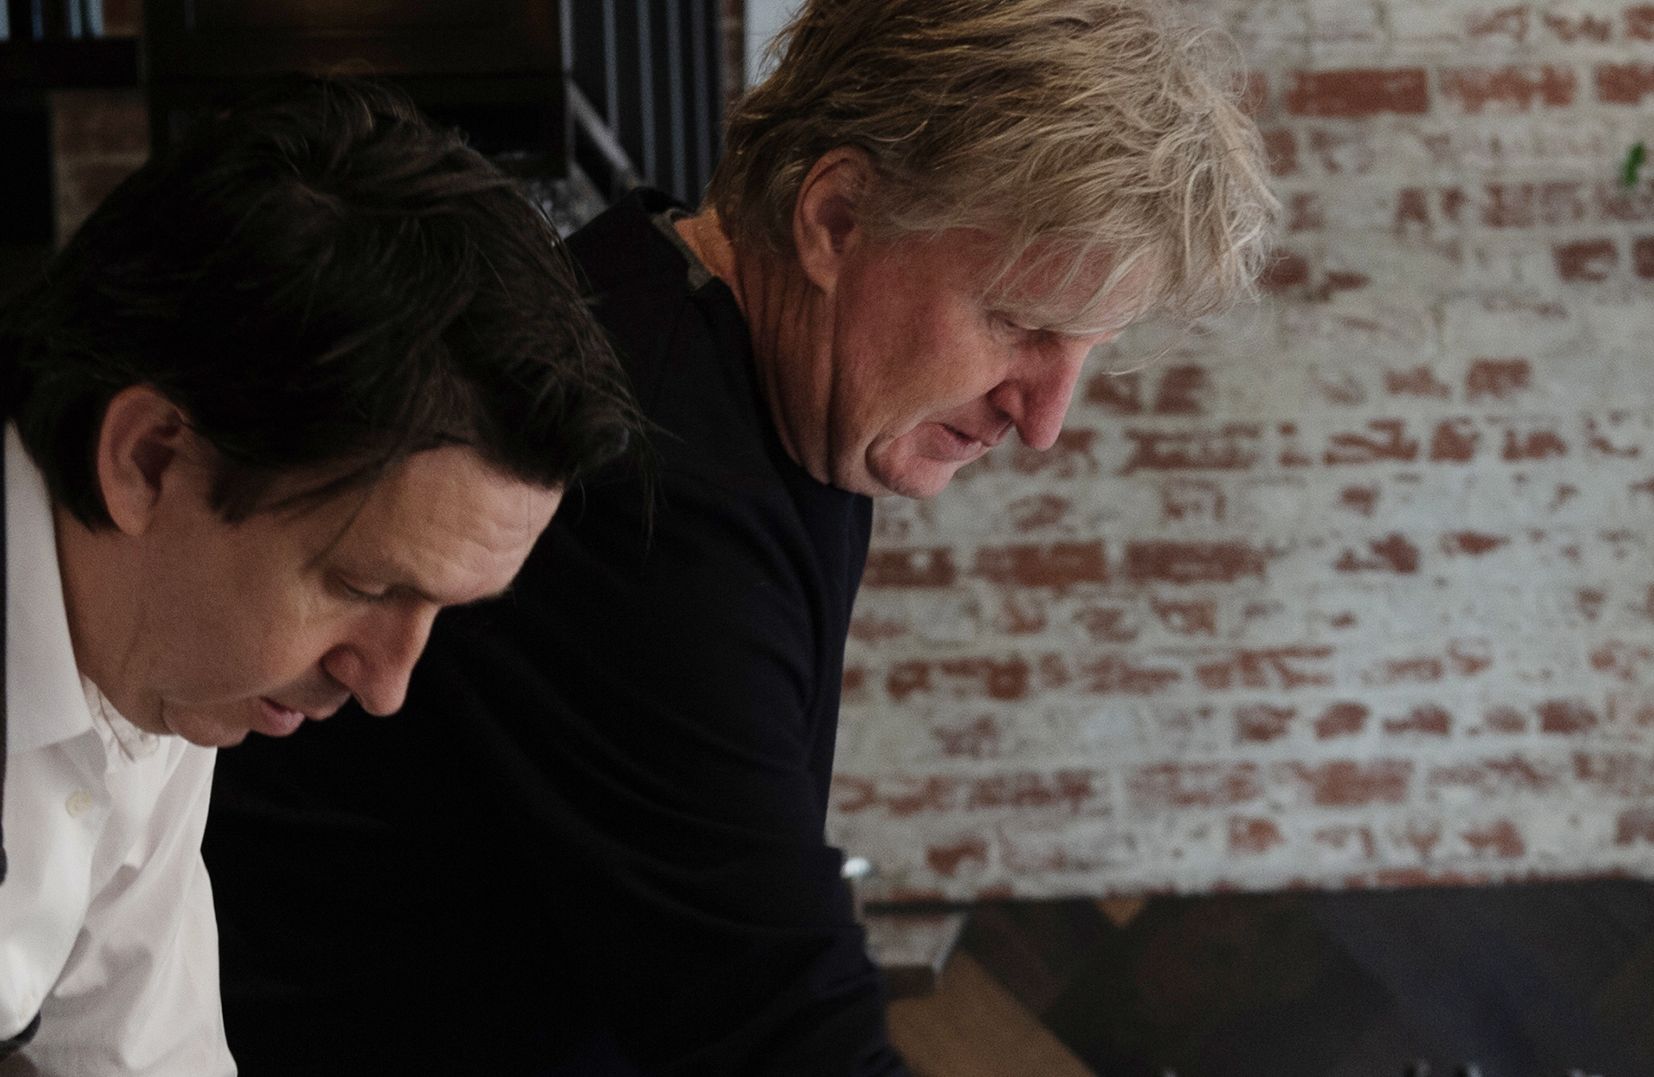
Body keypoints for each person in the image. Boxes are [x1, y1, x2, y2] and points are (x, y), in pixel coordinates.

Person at [205, 1, 1277, 1073]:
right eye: (1016, 324)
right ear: (837, 218)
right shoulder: (648, 474)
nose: (1040, 420)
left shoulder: (712, 352)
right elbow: (778, 1032)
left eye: (1082, 351)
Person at [0, 77, 641, 1075]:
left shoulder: (161, 652)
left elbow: (144, 1055)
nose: (384, 685)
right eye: (361, 584)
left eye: (439, 612)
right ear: (151, 461)